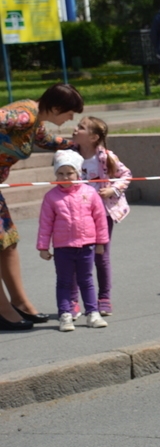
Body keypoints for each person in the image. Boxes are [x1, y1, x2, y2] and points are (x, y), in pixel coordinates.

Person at [0, 84, 83, 332]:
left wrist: (75, 145)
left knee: (8, 242)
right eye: (69, 113)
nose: (70, 118)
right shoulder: (24, 115)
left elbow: (45, 141)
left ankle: (20, 302)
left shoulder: (34, 119)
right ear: (57, 107)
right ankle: (3, 310)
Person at [38, 150, 109, 332]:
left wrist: (101, 242)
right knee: (64, 282)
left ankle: (93, 313)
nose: (65, 177)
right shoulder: (51, 197)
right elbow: (45, 224)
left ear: (78, 173)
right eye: (60, 173)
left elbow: (100, 219)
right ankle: (65, 314)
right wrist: (43, 247)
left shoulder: (90, 193)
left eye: (69, 173)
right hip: (63, 248)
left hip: (86, 245)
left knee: (86, 280)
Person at [71, 116, 132, 317]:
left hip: (101, 214)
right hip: (76, 213)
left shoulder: (105, 157)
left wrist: (112, 190)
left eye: (81, 127)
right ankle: (72, 300)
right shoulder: (71, 156)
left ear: (93, 137)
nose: (75, 129)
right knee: (73, 255)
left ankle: (104, 297)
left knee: (100, 255)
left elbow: (126, 175)